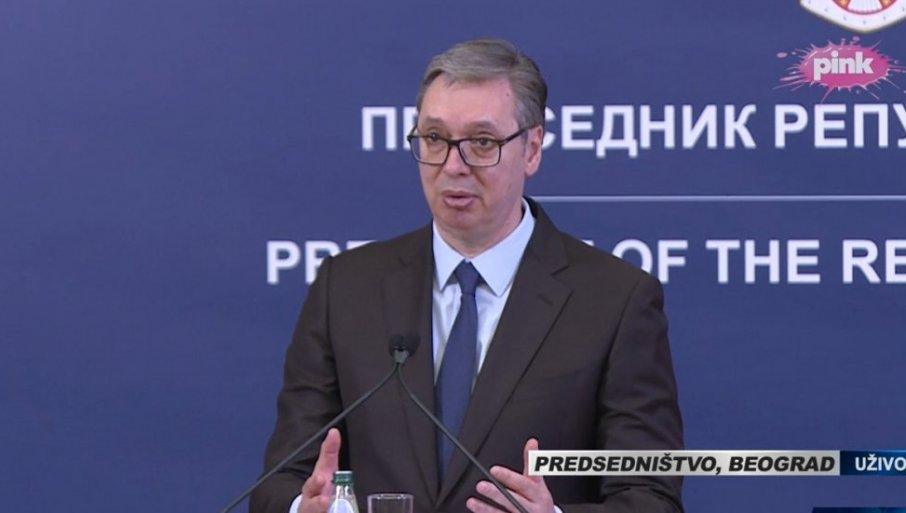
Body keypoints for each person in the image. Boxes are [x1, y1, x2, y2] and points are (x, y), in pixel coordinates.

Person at [250, 38, 683, 513]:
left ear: (532, 149)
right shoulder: (347, 289)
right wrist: (301, 507)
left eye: (482, 143)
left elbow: (651, 497)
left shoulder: (614, 301)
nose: (453, 166)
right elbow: (281, 481)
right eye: (435, 139)